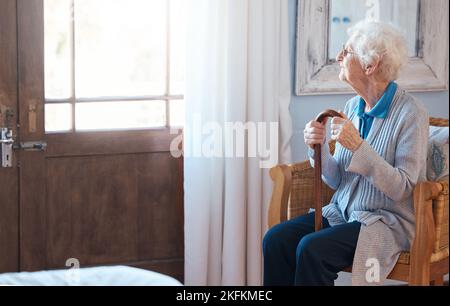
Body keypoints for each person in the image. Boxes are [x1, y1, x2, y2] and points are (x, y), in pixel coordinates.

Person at [263, 20, 429, 286]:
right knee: (276, 240)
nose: (340, 56)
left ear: (370, 65)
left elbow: (403, 188)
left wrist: (360, 148)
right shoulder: (352, 106)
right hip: (343, 212)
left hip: (384, 223)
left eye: (347, 51)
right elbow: (337, 181)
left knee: (311, 249)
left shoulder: (411, 114)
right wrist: (318, 149)